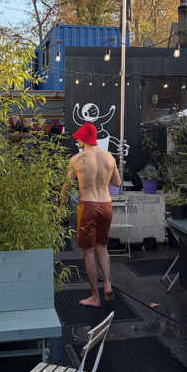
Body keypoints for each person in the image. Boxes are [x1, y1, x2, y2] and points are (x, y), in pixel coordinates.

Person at [63, 121, 121, 307]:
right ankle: (108, 284)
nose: (77, 141)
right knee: (102, 247)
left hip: (88, 206)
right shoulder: (109, 157)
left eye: (78, 138)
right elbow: (117, 183)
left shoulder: (76, 159)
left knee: (88, 252)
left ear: (84, 139)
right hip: (106, 205)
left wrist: (61, 204)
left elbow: (67, 187)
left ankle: (95, 297)